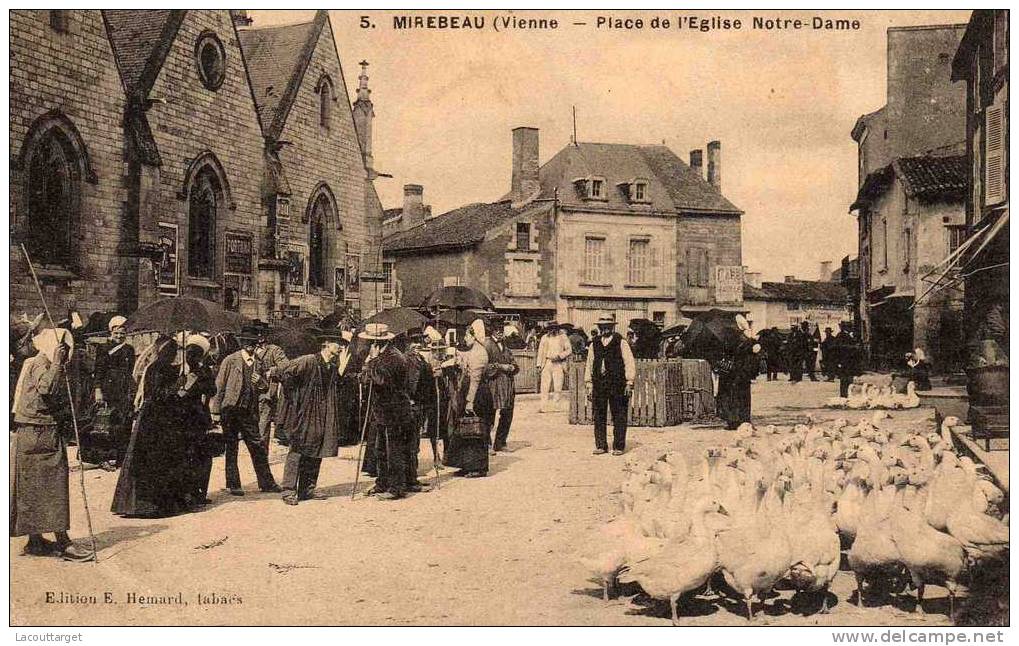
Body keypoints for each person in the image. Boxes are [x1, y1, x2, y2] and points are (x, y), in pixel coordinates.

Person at [11, 327, 93, 561]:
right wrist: (57, 362)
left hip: (33, 432)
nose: (66, 353)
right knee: (54, 487)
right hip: (40, 433)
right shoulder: (42, 363)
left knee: (34, 488)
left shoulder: (36, 362)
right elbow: (47, 388)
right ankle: (63, 542)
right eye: (63, 348)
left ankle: (35, 540)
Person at [112, 335, 189, 517]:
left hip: (164, 419)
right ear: (161, 352)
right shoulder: (155, 369)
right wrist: (177, 386)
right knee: (151, 458)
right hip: (153, 419)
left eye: (174, 352)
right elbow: (155, 394)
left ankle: (166, 502)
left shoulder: (169, 368)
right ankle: (147, 504)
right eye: (169, 352)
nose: (172, 355)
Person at [271, 330, 345, 505]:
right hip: (305, 412)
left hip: (322, 414)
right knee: (298, 449)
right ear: (326, 344)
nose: (341, 348)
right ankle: (289, 490)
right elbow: (282, 372)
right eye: (337, 344)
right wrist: (294, 399)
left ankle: (307, 489)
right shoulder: (308, 361)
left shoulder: (332, 367)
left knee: (316, 449)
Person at [210, 325, 281, 496]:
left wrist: (261, 382)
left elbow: (265, 387)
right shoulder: (230, 360)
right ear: (242, 343)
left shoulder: (259, 363)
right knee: (232, 446)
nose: (250, 346)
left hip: (249, 412)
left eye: (253, 343)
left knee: (257, 446)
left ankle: (266, 482)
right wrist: (216, 411)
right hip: (231, 410)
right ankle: (233, 484)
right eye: (247, 343)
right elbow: (219, 387)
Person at [360, 323, 414, 500]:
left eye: (369, 342)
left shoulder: (394, 357)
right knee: (380, 450)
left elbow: (382, 380)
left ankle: (396, 487)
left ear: (377, 342)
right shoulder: (381, 355)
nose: (367, 345)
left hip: (396, 411)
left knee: (394, 451)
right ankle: (382, 482)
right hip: (382, 411)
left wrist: (372, 362)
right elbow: (369, 379)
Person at [445, 319, 493, 477]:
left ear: (474, 336)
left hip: (478, 395)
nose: (465, 339)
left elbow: (475, 380)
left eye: (466, 335)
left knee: (475, 430)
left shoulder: (480, 353)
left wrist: (470, 402)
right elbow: (466, 358)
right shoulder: (475, 350)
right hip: (472, 393)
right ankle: (466, 464)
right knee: (466, 430)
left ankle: (478, 467)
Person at [585, 314, 636, 455]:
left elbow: (629, 363)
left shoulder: (621, 342)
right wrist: (589, 384)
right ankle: (601, 445)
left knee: (619, 414)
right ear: (599, 327)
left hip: (617, 384)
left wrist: (629, 382)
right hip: (599, 384)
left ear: (613, 327)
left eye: (608, 326)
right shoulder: (594, 343)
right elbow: (589, 364)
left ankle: (619, 446)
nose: (605, 328)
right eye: (602, 326)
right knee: (599, 415)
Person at [176, 335, 217, 508]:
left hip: (200, 417)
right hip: (184, 418)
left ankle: (200, 492)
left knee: (203, 456)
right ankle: (187, 495)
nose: (192, 357)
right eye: (190, 353)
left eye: (196, 355)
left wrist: (201, 376)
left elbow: (212, 390)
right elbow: (177, 394)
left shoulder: (205, 371)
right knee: (188, 456)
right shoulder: (179, 371)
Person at [91, 315, 136, 468]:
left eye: (122, 333)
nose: (119, 336)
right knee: (105, 423)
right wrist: (98, 390)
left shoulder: (129, 349)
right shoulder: (103, 348)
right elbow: (99, 371)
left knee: (123, 423)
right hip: (108, 388)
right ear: (111, 332)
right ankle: (104, 457)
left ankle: (121, 458)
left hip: (123, 389)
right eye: (116, 333)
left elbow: (130, 371)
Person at [716, 316, 762, 430]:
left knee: (732, 396)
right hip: (741, 373)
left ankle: (734, 421)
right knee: (742, 396)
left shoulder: (729, 338)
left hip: (731, 372)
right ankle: (742, 420)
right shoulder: (745, 340)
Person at [484, 323, 519, 453]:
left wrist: (513, 367)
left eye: (501, 330)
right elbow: (484, 366)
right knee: (489, 415)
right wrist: (499, 366)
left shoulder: (505, 345)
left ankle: (501, 442)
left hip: (507, 385)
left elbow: (513, 361)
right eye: (497, 330)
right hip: (493, 384)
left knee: (507, 414)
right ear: (492, 331)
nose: (499, 332)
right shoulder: (487, 345)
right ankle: (486, 444)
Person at [254, 333, 288, 451]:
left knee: (263, 425)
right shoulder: (249, 349)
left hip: (266, 392)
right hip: (249, 392)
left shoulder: (274, 350)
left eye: (260, 335)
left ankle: (262, 455)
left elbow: (285, 365)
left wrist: (272, 371)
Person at [536, 322, 572, 413]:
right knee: (544, 386)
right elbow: (540, 352)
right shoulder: (545, 337)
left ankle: (556, 405)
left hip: (558, 363)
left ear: (557, 328)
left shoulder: (563, 337)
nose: (552, 330)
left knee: (558, 385)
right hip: (547, 362)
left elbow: (569, 350)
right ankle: (543, 406)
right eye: (550, 328)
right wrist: (539, 365)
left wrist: (560, 356)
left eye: (554, 328)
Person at [833, 321, 863, 398]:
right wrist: (853, 347)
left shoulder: (850, 335)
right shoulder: (841, 335)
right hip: (844, 360)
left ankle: (847, 394)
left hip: (849, 360)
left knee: (848, 377)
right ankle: (844, 395)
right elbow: (839, 346)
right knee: (844, 378)